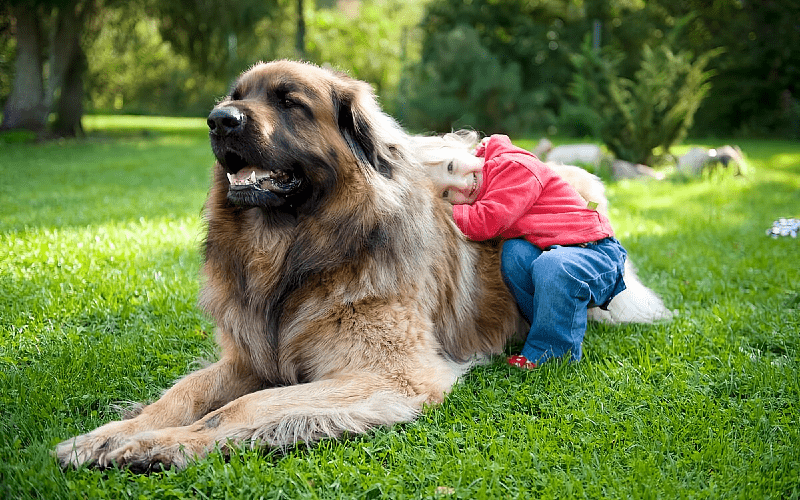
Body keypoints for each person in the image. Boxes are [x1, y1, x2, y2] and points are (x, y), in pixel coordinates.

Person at [415, 131, 628, 369]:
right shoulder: (491, 175)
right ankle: (549, 324)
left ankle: (553, 352)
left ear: (460, 147)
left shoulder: (514, 168)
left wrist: (445, 210)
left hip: (595, 251)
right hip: (561, 251)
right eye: (447, 193)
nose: (461, 185)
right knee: (514, 254)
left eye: (452, 167)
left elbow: (487, 220)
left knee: (554, 267)